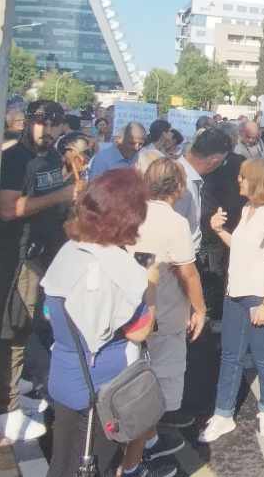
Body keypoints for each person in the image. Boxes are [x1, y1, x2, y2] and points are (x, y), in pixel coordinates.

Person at [39, 168, 156, 477]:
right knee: (94, 464)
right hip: (104, 390)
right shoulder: (121, 270)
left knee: (62, 461)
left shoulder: (69, 251)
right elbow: (140, 330)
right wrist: (151, 286)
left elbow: (49, 312)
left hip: (64, 375)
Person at [0, 100, 74, 441]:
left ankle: (15, 394)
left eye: (54, 124)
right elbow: (8, 209)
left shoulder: (52, 158)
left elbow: (52, 199)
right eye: (41, 123)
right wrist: (63, 194)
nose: (47, 130)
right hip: (17, 258)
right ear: (26, 123)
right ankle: (1, 409)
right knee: (12, 331)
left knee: (32, 328)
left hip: (45, 255)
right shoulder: (14, 160)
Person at [201, 158, 264, 441]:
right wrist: (219, 231)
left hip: (260, 296)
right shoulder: (248, 209)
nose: (239, 180)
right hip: (236, 293)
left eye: (243, 177)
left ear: (258, 181)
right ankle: (222, 414)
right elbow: (243, 249)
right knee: (230, 356)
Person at [126, 159, 207, 473]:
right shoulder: (174, 222)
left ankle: (147, 440)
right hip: (164, 312)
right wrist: (200, 309)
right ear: (179, 186)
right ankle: (139, 455)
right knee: (156, 385)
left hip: (129, 311)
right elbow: (188, 273)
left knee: (133, 377)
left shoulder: (131, 212)